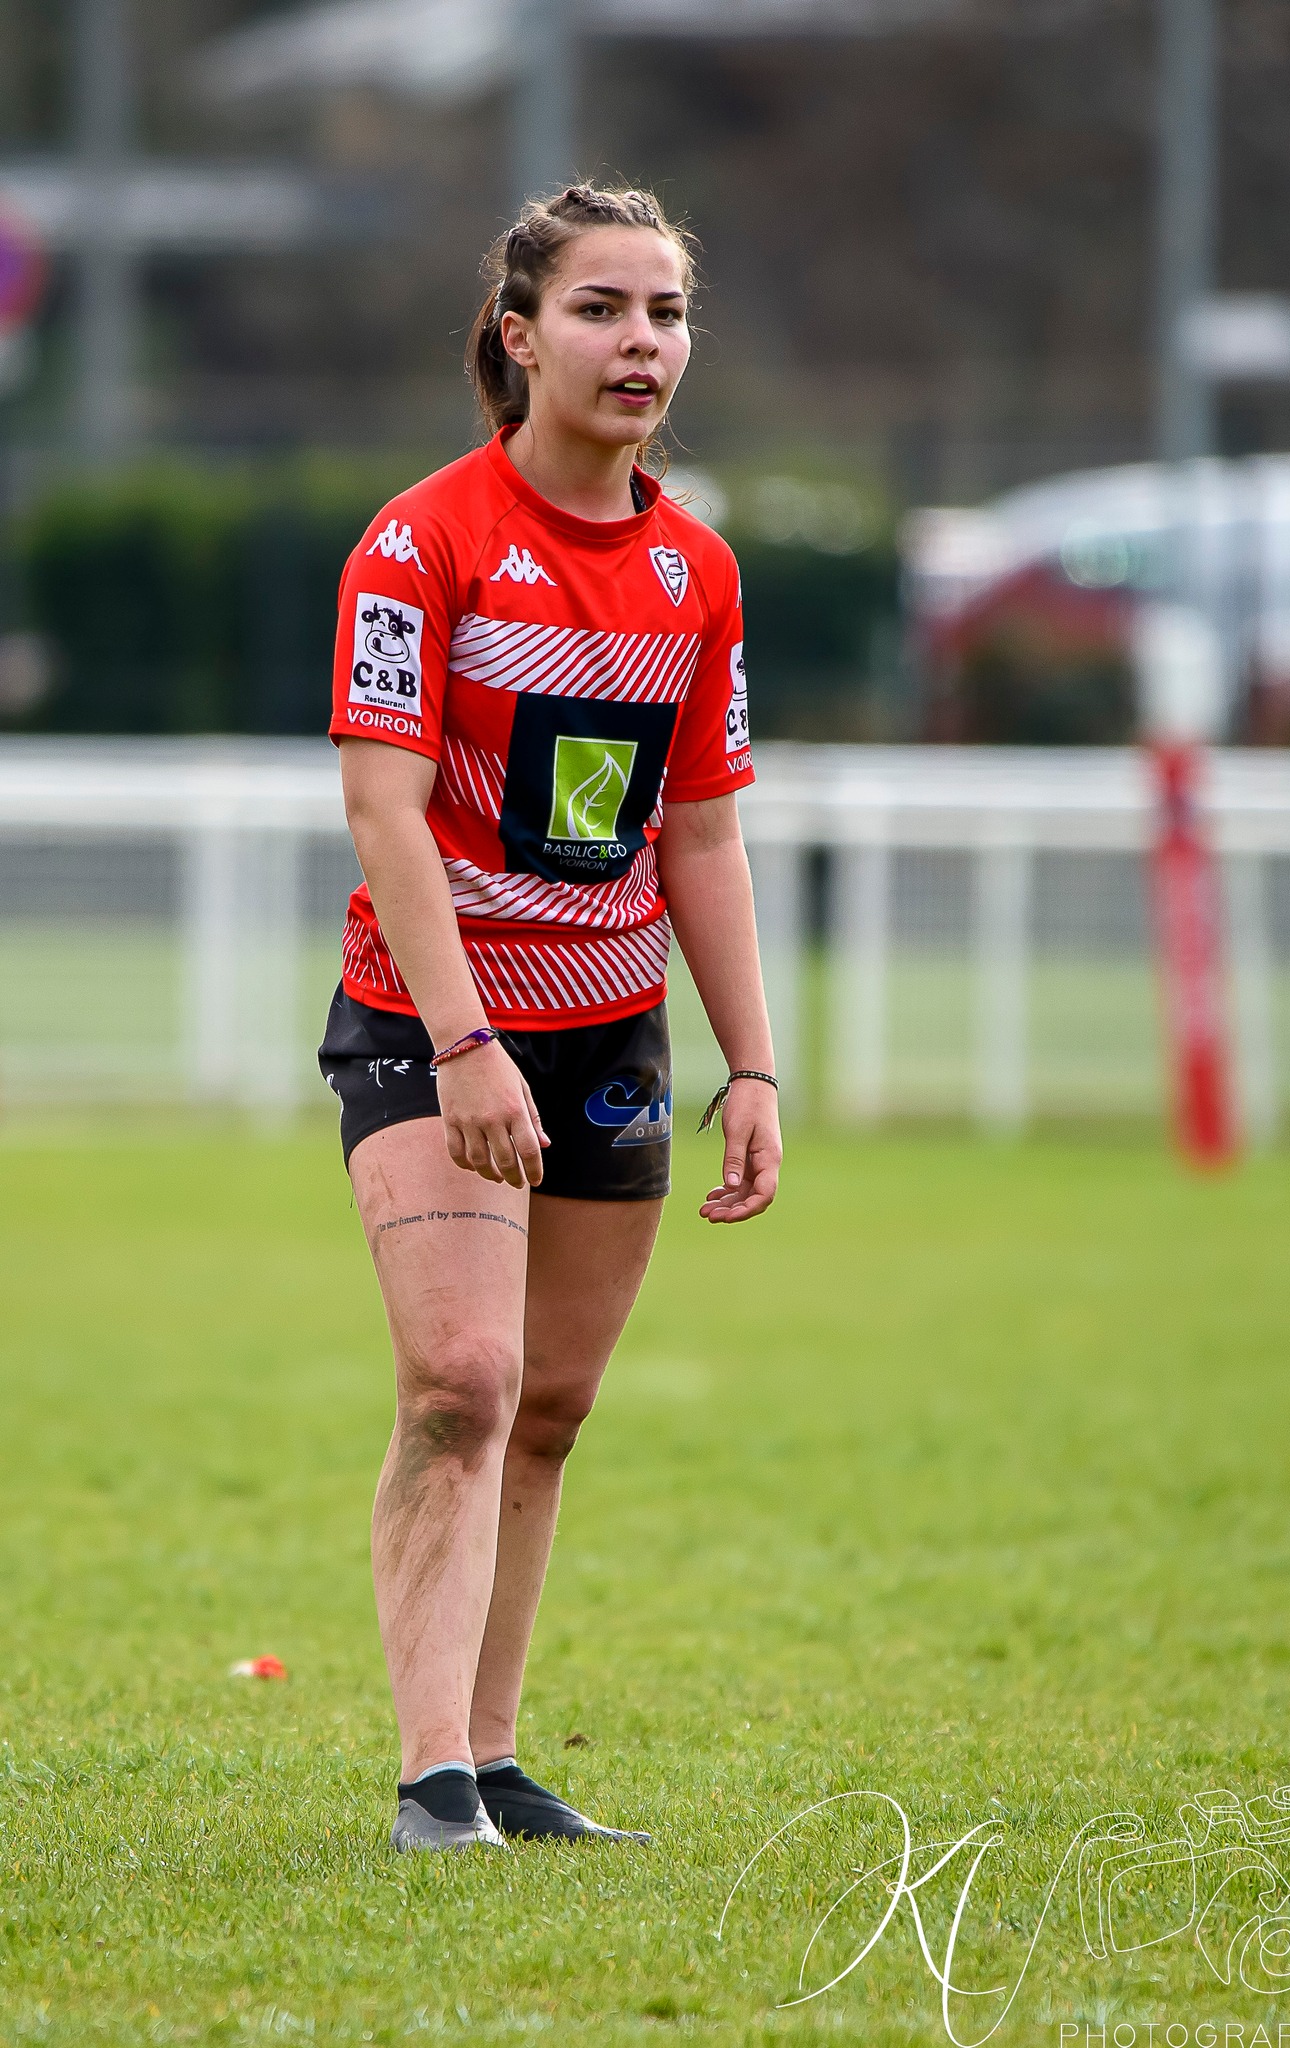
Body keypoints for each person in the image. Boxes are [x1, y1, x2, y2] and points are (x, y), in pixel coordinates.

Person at [319, 183, 782, 1853]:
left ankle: (500, 1759)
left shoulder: (698, 572)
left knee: (555, 1406)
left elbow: (704, 830)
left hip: (613, 1040)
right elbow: (384, 813)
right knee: (460, 1377)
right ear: (520, 337)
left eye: (663, 313)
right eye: (601, 309)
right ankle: (431, 1775)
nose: (640, 343)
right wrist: (463, 1047)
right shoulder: (420, 540)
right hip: (428, 1020)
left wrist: (754, 1065)